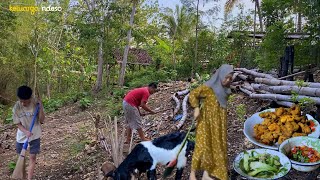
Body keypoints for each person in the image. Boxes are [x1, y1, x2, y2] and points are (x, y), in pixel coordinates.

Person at [188, 64, 234, 180]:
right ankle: (192, 173)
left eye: (230, 78)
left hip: (219, 123)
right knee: (202, 145)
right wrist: (196, 108)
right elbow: (193, 94)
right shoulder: (208, 87)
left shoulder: (226, 90)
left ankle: (209, 173)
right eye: (226, 77)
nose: (228, 80)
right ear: (220, 75)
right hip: (206, 121)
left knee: (218, 146)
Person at [13, 85, 45, 180]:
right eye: (21, 101)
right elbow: (17, 124)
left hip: (35, 135)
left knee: (32, 157)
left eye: (25, 101)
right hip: (22, 136)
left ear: (30, 98)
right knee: (21, 157)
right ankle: (21, 176)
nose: (23, 103)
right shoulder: (17, 107)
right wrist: (26, 131)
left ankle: (29, 178)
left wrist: (41, 108)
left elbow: (42, 120)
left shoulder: (36, 104)